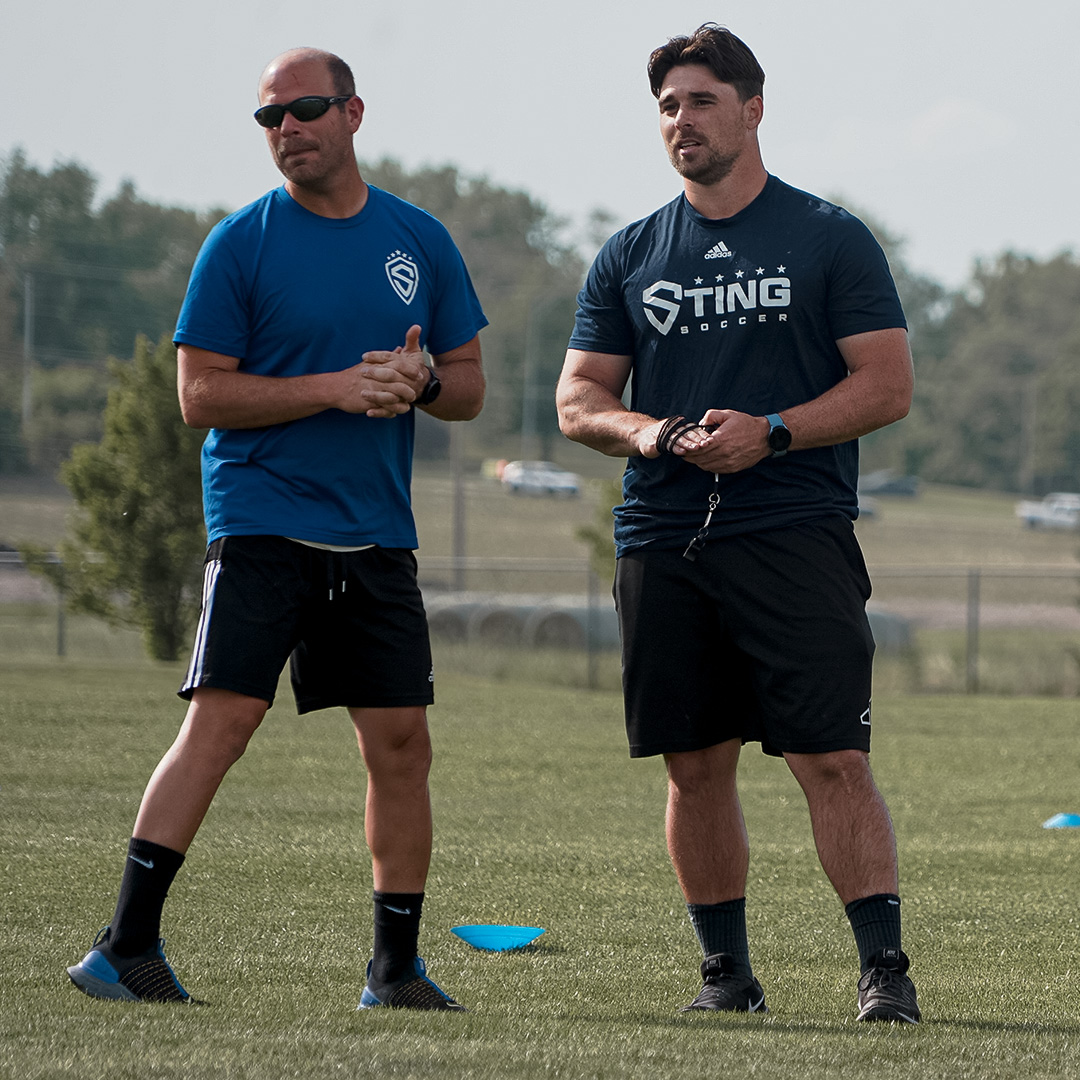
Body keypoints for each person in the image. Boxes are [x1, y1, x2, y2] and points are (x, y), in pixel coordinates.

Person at [67, 47, 487, 1012]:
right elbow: (199, 396)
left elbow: (467, 387)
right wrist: (334, 388)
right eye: (269, 118)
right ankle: (123, 948)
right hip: (262, 524)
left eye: (304, 110)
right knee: (222, 723)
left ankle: (394, 972)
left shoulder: (419, 239)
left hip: (375, 534)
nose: (286, 129)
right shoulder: (240, 243)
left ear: (353, 113)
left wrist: (421, 379)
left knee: (402, 746)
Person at [555, 24, 919, 1022]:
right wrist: (654, 433)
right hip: (663, 537)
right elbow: (579, 399)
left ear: (753, 110)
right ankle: (726, 977)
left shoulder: (828, 236)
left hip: (794, 529)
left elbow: (887, 385)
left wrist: (774, 431)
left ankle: (883, 972)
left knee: (831, 758)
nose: (682, 120)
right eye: (668, 106)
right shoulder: (631, 254)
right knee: (694, 764)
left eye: (702, 101)